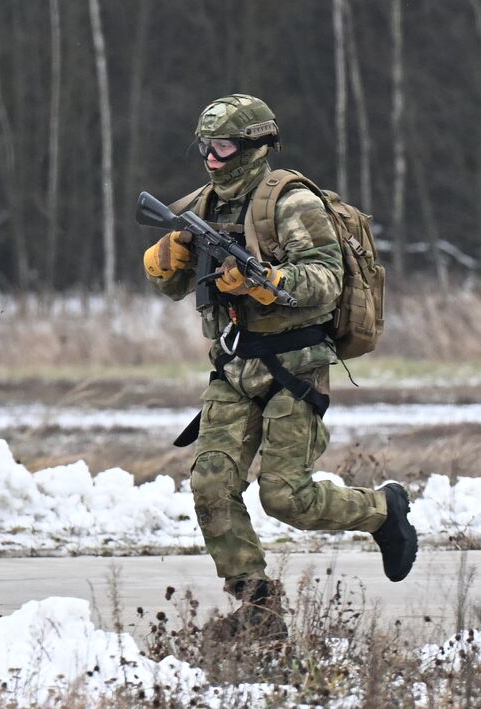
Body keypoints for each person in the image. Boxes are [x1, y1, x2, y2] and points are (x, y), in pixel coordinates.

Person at [142, 93, 416, 640]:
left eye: (221, 146)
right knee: (211, 486)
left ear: (252, 147)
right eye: (205, 146)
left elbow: (323, 281)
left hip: (295, 366)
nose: (211, 158)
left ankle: (383, 511)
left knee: (285, 497)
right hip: (232, 368)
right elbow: (171, 285)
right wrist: (169, 257)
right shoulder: (199, 207)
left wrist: (266, 283)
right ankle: (259, 610)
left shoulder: (292, 204)